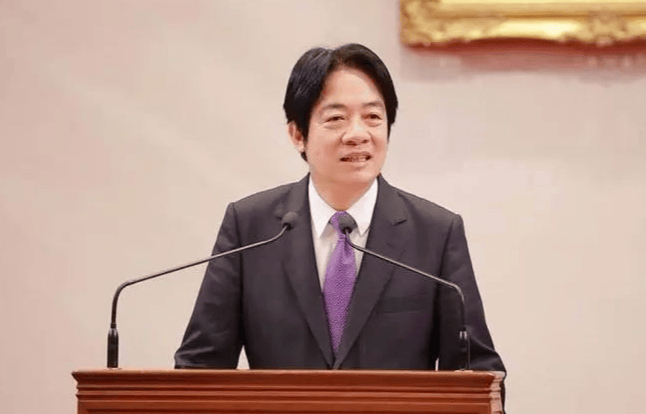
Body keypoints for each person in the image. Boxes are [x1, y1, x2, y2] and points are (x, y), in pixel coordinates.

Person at [175, 44, 505, 385]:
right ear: (298, 134)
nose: (358, 134)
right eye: (336, 119)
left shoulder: (436, 233)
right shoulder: (250, 228)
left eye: (373, 117)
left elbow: (477, 375)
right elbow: (199, 369)